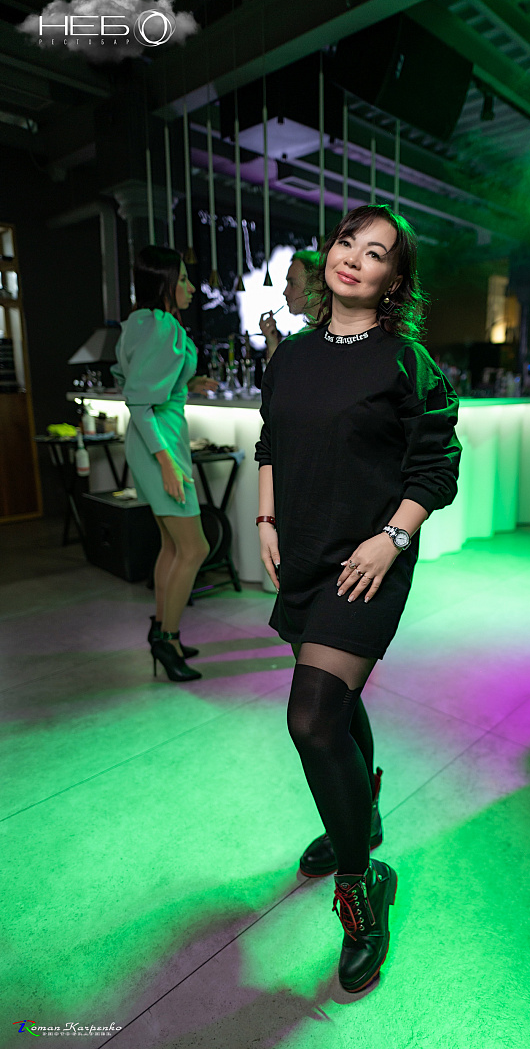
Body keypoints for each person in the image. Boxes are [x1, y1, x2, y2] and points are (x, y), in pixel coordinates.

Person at [254, 205, 461, 993]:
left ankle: (361, 885)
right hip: (303, 550)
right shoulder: (293, 355)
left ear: (394, 280)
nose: (354, 258)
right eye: (348, 242)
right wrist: (266, 518)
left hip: (368, 559)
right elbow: (271, 442)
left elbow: (437, 464)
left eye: (376, 253)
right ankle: (361, 818)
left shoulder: (406, 360)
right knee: (336, 705)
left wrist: (393, 538)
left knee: (311, 718)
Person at [112, 246, 218, 683]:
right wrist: (168, 464)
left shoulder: (140, 322)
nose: (191, 287)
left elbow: (139, 381)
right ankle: (167, 639)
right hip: (161, 444)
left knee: (172, 547)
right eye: (183, 279)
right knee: (194, 548)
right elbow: (139, 402)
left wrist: (188, 384)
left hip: (153, 440)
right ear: (164, 284)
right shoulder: (162, 326)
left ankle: (162, 629)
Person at [258, 249, 323, 359]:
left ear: (316, 286)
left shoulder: (328, 336)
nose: (285, 292)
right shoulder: (305, 337)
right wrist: (272, 342)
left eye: (292, 283)